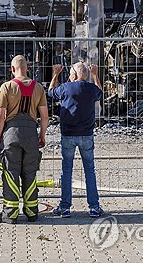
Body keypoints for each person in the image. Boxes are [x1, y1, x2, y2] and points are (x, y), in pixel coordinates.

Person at [0, 55, 49, 224]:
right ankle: (32, 212)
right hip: (31, 134)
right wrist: (42, 135)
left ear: (12, 69)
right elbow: (45, 117)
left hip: (11, 133)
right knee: (30, 173)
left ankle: (10, 214)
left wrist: (0, 138)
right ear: (27, 68)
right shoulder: (39, 88)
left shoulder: (6, 87)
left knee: (11, 173)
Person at [48, 62, 105, 218]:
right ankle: (94, 207)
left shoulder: (66, 88)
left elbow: (51, 92)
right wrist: (95, 75)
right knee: (89, 170)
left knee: (66, 170)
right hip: (87, 135)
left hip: (68, 134)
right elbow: (100, 92)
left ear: (73, 75)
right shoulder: (91, 89)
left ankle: (65, 207)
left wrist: (56, 74)